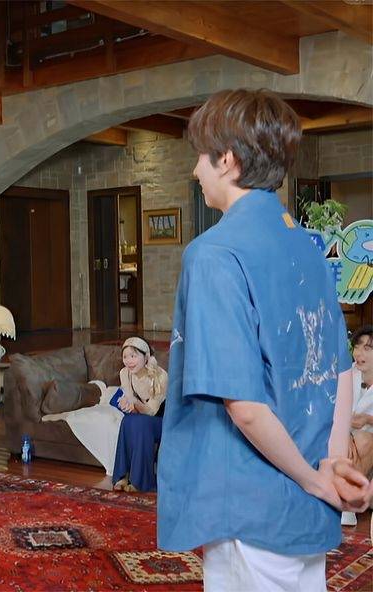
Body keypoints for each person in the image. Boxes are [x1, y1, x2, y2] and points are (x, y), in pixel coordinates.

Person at [156, 89, 353, 591]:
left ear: (227, 161)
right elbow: (340, 367)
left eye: (200, 157)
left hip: (250, 497)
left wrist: (313, 479)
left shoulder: (214, 253)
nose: (195, 170)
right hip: (305, 488)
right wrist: (330, 466)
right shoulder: (306, 245)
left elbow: (243, 406)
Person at [111, 337, 168, 493]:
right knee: (127, 421)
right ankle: (123, 475)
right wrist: (127, 405)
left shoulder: (160, 376)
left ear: (146, 357)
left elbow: (152, 411)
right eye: (125, 357)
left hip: (163, 420)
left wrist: (134, 402)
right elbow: (131, 401)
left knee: (141, 423)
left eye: (133, 356)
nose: (129, 361)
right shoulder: (125, 373)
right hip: (143, 417)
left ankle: (139, 481)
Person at [342, 325, 373, 526]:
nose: (359, 353)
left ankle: (348, 503)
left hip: (368, 450)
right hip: (346, 443)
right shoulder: (347, 375)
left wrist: (368, 420)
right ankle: (346, 501)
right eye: (357, 347)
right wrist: (345, 434)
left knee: (363, 440)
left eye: (367, 348)